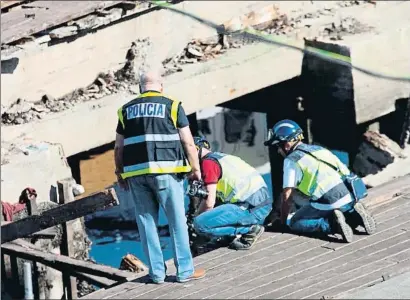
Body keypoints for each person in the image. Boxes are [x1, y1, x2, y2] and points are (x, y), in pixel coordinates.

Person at [114, 64, 205, 284]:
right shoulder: (172, 106)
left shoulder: (125, 110)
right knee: (176, 222)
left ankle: (156, 274)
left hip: (136, 174)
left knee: (146, 223)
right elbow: (187, 142)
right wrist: (196, 169)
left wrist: (120, 173)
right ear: (161, 86)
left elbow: (118, 147)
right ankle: (184, 271)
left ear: (140, 87)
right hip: (166, 173)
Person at [264, 119, 376, 243]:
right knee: (341, 209)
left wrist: (284, 221)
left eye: (278, 146)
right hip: (349, 194)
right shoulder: (319, 149)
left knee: (296, 221)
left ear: (286, 144)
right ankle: (355, 215)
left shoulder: (291, 160)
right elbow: (345, 171)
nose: (278, 151)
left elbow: (287, 195)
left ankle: (332, 224)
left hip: (328, 200)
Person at [192, 136, 272, 250]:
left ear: (195, 150)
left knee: (200, 224)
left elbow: (209, 203)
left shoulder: (208, 164)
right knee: (216, 207)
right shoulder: (223, 157)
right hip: (261, 203)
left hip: (251, 207)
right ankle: (228, 235)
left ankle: (250, 230)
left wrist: (197, 215)